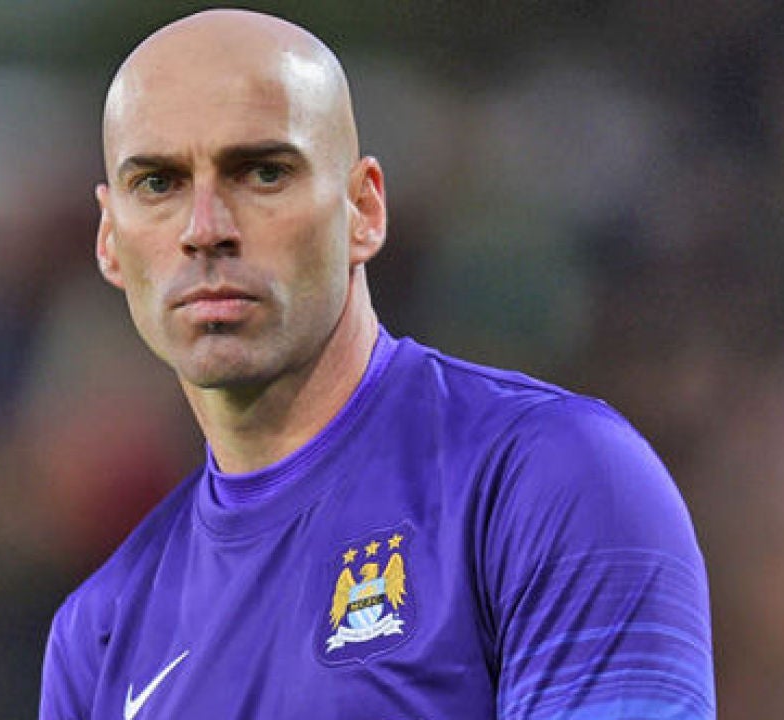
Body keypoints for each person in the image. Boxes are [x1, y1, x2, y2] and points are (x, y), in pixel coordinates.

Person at [40, 8, 715, 719]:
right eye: (158, 184)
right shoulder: (99, 635)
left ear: (363, 209)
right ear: (110, 240)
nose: (205, 229)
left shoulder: (552, 478)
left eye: (263, 173)